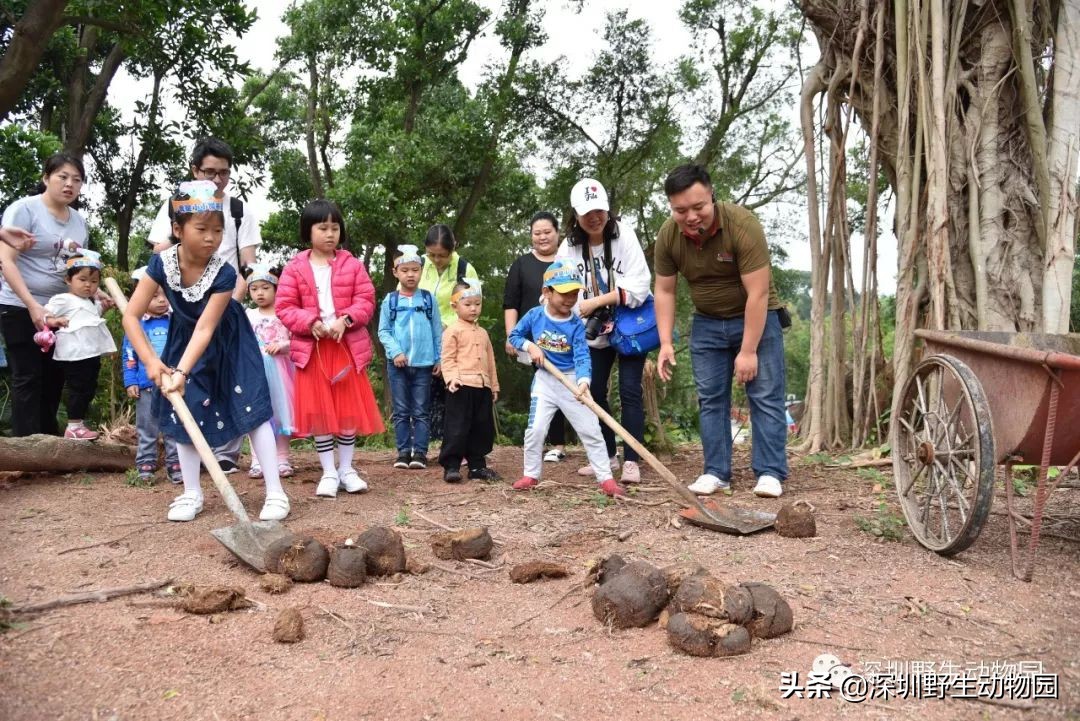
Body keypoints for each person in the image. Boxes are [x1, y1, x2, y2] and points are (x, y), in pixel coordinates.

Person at [121, 181, 289, 522]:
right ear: (177, 229)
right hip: (184, 339)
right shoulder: (160, 265)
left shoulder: (224, 273)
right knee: (184, 410)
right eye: (202, 229)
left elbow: (206, 327)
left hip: (230, 340)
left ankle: (275, 492)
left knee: (252, 407)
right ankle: (191, 492)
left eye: (218, 230)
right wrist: (153, 362)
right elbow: (131, 316)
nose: (212, 238)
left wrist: (179, 372)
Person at [654, 163, 788, 498]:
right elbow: (665, 291)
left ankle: (770, 472)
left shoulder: (743, 226)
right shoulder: (668, 236)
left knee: (765, 395)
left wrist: (748, 350)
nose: (691, 217)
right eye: (681, 210)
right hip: (707, 323)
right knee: (711, 399)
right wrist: (666, 342)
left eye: (698, 207)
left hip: (757, 316)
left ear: (712, 195)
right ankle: (716, 472)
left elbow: (758, 293)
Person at [147, 137, 262, 473]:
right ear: (194, 170)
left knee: (231, 379)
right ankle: (186, 458)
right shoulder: (175, 206)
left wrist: (229, 303)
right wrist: (183, 225)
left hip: (227, 303)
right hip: (186, 307)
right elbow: (160, 254)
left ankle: (226, 453)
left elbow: (247, 264)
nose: (216, 180)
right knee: (192, 377)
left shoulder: (240, 210)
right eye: (209, 172)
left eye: (223, 173)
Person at [276, 199, 383, 499]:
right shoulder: (295, 268)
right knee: (320, 413)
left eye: (334, 228)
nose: (329, 234)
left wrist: (346, 319)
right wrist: (309, 322)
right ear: (307, 231)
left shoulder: (352, 264)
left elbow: (366, 299)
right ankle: (328, 471)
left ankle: (347, 469)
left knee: (347, 410)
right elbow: (285, 307)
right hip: (312, 351)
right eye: (322, 228)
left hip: (345, 347)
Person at [557, 178, 652, 484]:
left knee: (629, 391)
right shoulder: (569, 246)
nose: (594, 218)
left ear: (608, 209)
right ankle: (609, 455)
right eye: (587, 213)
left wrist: (599, 300)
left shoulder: (624, 235)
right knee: (593, 391)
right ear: (576, 214)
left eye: (599, 210)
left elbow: (640, 284)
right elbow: (559, 286)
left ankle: (632, 459)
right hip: (594, 330)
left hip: (629, 324)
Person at [0, 153, 101, 437]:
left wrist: (95, 290)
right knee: (28, 376)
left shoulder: (79, 222)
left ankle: (49, 446)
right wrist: (32, 306)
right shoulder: (24, 210)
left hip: (61, 309)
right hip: (19, 304)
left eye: (77, 180)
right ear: (46, 178)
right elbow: (6, 261)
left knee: (56, 376)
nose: (70, 184)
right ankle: (26, 447)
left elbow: (76, 269)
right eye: (63, 177)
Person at [508, 260, 623, 497]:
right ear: (547, 292)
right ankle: (531, 474)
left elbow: (582, 356)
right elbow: (515, 336)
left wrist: (584, 382)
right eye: (564, 294)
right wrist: (531, 347)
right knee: (536, 430)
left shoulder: (575, 325)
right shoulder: (534, 316)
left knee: (591, 430)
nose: (570, 299)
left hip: (571, 382)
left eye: (574, 293)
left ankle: (606, 479)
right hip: (545, 381)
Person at [503, 211, 568, 463]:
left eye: (547, 232)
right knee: (541, 387)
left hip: (564, 335)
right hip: (532, 340)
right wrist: (512, 336)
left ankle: (560, 444)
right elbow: (511, 304)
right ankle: (542, 441)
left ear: (557, 233)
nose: (542, 237)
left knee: (563, 384)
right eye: (537, 233)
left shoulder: (566, 262)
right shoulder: (521, 265)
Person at [40, 250, 117, 440]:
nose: (88, 285)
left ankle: (78, 423)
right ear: (68, 280)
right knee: (78, 387)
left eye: (93, 281)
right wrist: (55, 320)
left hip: (91, 352)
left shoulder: (90, 302)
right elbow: (44, 314)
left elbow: (91, 319)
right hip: (75, 354)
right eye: (82, 280)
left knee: (89, 387)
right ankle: (73, 425)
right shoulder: (63, 299)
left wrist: (103, 308)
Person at [377, 244, 441, 470]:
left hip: (424, 364)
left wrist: (438, 358)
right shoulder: (390, 301)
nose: (410, 274)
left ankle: (420, 453)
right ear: (396, 272)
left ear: (421, 271)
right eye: (405, 270)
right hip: (398, 366)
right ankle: (403, 452)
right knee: (402, 410)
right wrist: (396, 352)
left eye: (415, 270)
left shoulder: (428, 299)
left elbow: (436, 331)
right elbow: (383, 331)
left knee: (421, 411)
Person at [418, 224, 478, 446]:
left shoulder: (464, 269)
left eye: (442, 256)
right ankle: (420, 446)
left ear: (454, 249)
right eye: (431, 254)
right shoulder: (420, 265)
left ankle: (458, 445)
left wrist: (447, 326)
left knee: (454, 394)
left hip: (455, 340)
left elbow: (472, 306)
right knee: (422, 394)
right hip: (421, 340)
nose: (436, 260)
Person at [438, 278, 500, 483]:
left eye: (477, 303)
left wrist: (493, 385)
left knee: (481, 427)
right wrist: (451, 379)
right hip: (461, 385)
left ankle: (477, 466)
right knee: (457, 427)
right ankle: (452, 465)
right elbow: (447, 358)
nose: (473, 308)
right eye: (468, 304)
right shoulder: (452, 331)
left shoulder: (483, 333)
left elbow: (490, 360)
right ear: (455, 306)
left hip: (482, 386)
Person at [122, 267, 180, 483]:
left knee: (175, 423)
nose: (161, 300)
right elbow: (129, 354)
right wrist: (130, 380)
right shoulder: (136, 325)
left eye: (165, 295)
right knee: (147, 425)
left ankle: (176, 462)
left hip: (173, 383)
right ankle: (146, 461)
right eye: (154, 296)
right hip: (146, 383)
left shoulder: (175, 322)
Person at [244, 264, 295, 480]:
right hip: (255, 371)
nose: (260, 293)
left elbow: (297, 341)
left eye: (265, 287)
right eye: (254, 289)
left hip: (282, 370)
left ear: (276, 288)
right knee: (257, 414)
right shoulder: (248, 314)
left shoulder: (285, 314)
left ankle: (282, 457)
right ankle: (258, 459)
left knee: (281, 412)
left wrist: (283, 345)